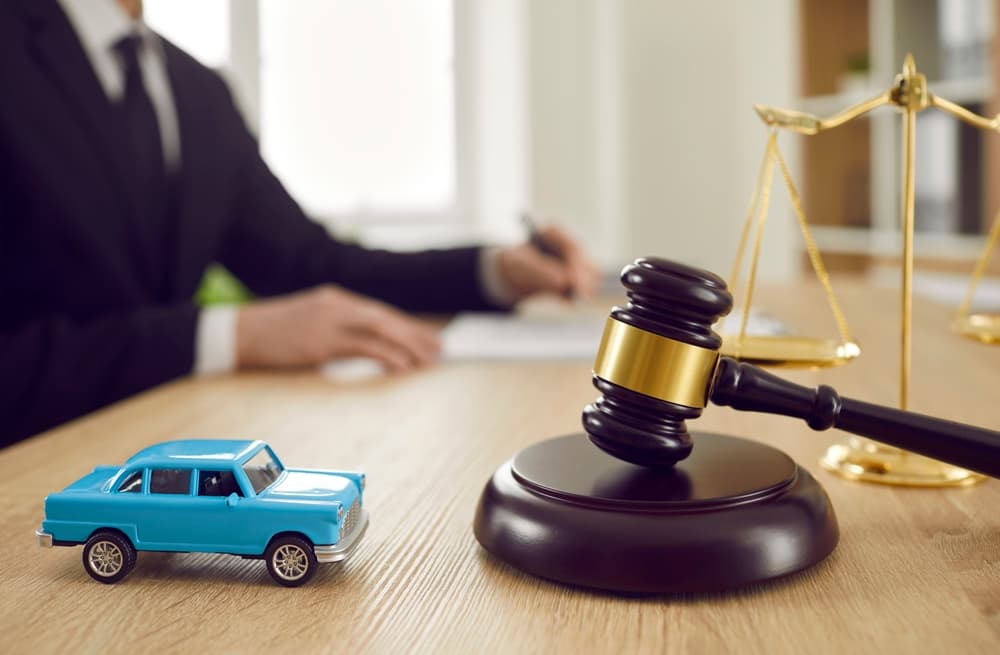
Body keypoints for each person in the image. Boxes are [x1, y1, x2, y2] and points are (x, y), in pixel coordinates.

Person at [0, 0, 600, 446]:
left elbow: (309, 265)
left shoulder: (197, 91)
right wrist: (231, 336)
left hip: (162, 450)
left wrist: (495, 271)